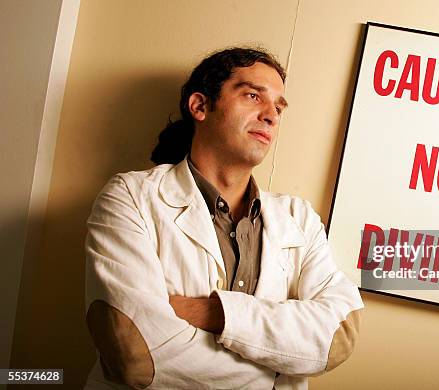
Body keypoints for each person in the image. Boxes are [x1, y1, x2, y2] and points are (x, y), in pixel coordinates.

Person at [84, 47, 364, 389]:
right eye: (252, 96)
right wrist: (278, 368)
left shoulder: (299, 218)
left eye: (278, 106)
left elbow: (337, 337)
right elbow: (135, 355)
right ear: (200, 106)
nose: (271, 115)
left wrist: (214, 313)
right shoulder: (130, 197)